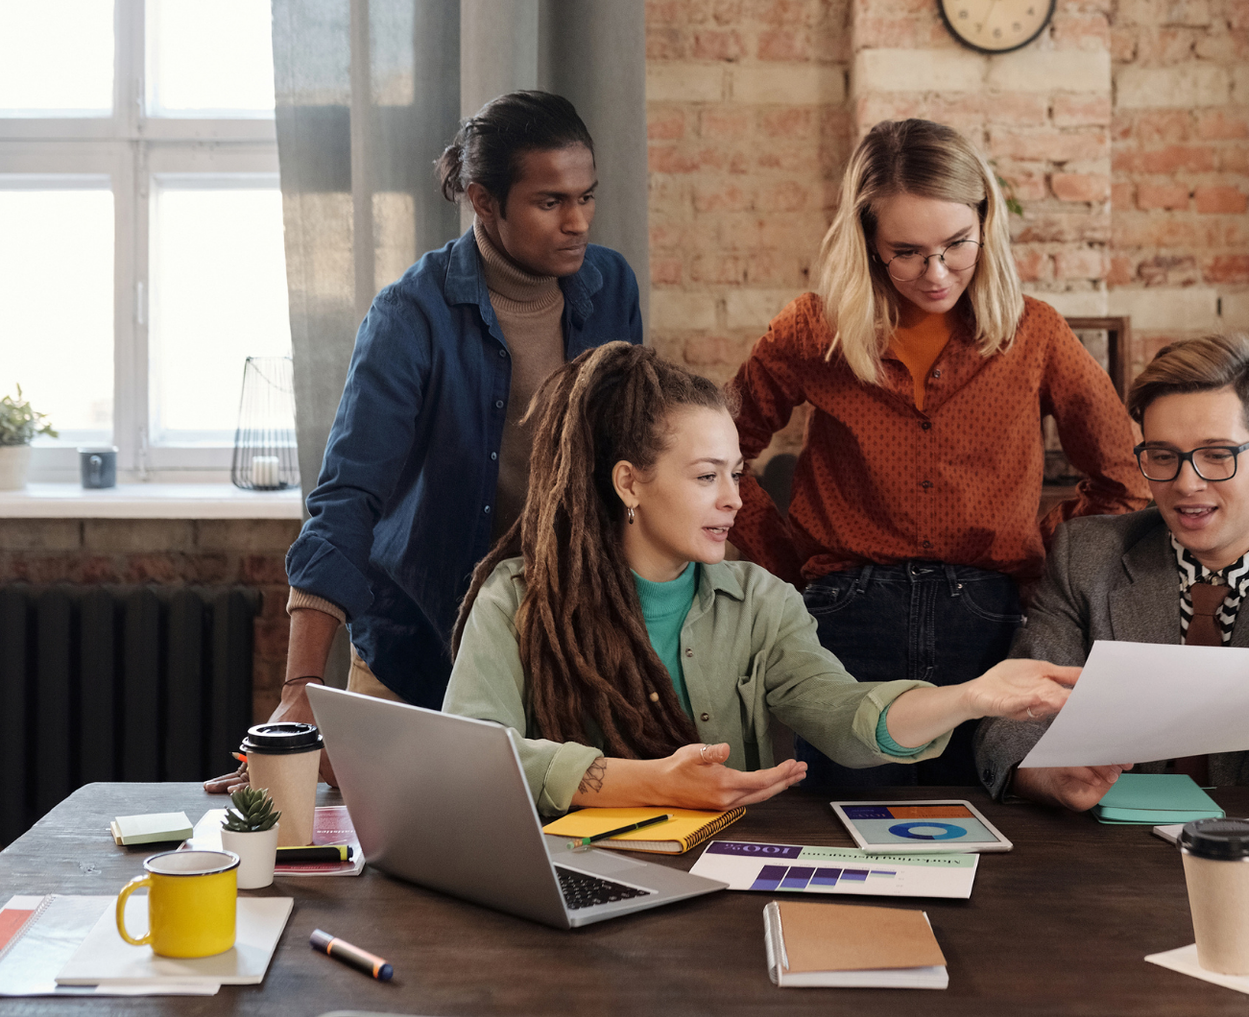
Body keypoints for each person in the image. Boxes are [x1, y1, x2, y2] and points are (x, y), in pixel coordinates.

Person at [207, 92, 643, 795]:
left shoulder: (610, 285)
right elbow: (348, 497)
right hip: (420, 652)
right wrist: (299, 689)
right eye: (551, 201)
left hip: (564, 654)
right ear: (482, 200)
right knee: (394, 882)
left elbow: (630, 465)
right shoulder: (411, 313)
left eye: (587, 196)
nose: (579, 221)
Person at [444, 343, 1080, 814]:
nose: (734, 500)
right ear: (629, 481)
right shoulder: (517, 598)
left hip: (723, 885)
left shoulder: (761, 602)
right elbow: (471, 757)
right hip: (570, 881)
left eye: (736, 472)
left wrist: (971, 696)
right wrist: (646, 782)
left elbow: (846, 714)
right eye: (705, 476)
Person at [726, 119, 1148, 789]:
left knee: (985, 831)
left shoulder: (1035, 333)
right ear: (867, 239)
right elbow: (721, 455)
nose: (936, 271)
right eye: (907, 250)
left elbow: (1125, 479)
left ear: (986, 219)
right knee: (843, 829)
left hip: (985, 621)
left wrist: (1037, 548)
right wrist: (784, 565)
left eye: (956, 244)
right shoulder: (812, 331)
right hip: (843, 621)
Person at [975, 332, 1249, 814]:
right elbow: (1009, 722)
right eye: (1163, 456)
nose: (1187, 483)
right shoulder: (1086, 556)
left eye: (1216, 455)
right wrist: (1046, 776)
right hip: (1107, 853)